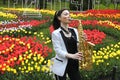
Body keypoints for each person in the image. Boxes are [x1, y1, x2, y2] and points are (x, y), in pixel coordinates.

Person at [51, 9, 82, 80]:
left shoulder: (74, 30)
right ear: (59, 18)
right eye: (65, 14)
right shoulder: (56, 33)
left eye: (69, 14)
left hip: (74, 63)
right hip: (61, 64)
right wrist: (72, 56)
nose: (69, 16)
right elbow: (58, 50)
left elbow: (77, 45)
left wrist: (83, 41)